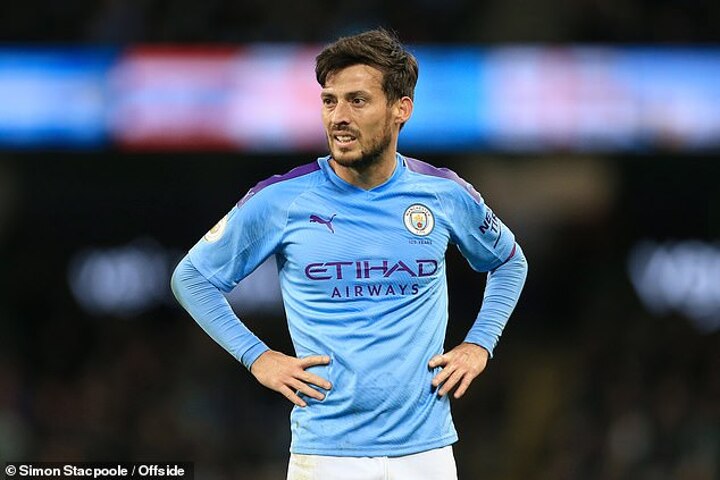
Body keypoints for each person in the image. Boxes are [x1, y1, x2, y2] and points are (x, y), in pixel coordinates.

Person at [172, 28, 528, 480]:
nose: (339, 116)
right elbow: (192, 278)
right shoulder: (282, 200)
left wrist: (479, 344)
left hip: (427, 454)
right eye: (330, 101)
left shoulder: (443, 194)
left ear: (401, 109)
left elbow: (509, 261)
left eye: (357, 101)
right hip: (325, 456)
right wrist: (257, 357)